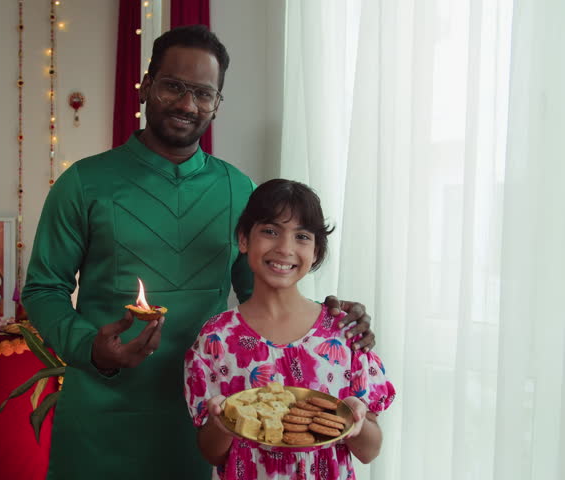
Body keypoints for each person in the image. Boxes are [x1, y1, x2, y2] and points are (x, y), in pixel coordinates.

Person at [22, 25, 375, 480]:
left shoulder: (237, 189)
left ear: (217, 103)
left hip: (201, 419)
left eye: (204, 94)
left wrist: (331, 316)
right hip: (99, 412)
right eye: (174, 86)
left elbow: (266, 294)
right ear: (147, 85)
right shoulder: (84, 183)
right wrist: (90, 347)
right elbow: (43, 289)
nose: (188, 105)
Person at [184, 179, 396, 479]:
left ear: (316, 252)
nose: (285, 248)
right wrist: (221, 423)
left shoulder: (344, 333)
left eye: (302, 236)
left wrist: (354, 422)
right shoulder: (216, 338)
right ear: (244, 239)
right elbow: (212, 452)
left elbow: (369, 452)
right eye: (270, 231)